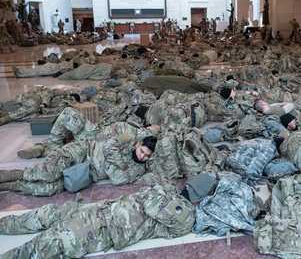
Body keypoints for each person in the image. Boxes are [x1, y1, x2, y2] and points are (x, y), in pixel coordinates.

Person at [0, 183, 195, 259]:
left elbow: (153, 207)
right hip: (94, 210)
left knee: (39, 247)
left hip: (99, 230)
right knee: (39, 216)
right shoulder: (167, 190)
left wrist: (164, 193)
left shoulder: (184, 215)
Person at [0, 107, 159, 196]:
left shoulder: (138, 167)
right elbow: (108, 144)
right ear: (138, 143)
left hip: (86, 173)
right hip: (84, 149)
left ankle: (10, 186)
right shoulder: (130, 135)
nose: (142, 156)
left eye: (146, 156)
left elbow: (118, 178)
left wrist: (114, 153)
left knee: (48, 189)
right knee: (48, 172)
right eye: (142, 151)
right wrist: (118, 161)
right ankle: (9, 174)